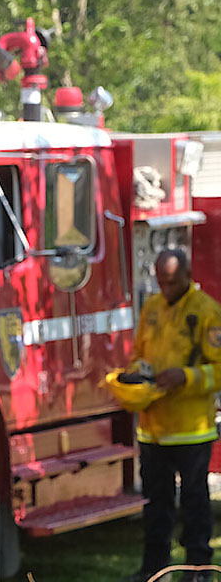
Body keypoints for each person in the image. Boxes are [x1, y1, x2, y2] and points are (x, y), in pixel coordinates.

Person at [125, 249, 221, 582]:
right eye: (161, 282)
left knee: (194, 502)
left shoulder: (206, 312)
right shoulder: (151, 309)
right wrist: (134, 378)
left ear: (187, 276)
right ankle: (155, 569)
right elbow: (139, 355)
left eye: (172, 282)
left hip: (192, 430)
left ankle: (198, 569)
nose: (166, 289)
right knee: (155, 504)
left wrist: (187, 377)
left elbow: (219, 370)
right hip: (153, 428)